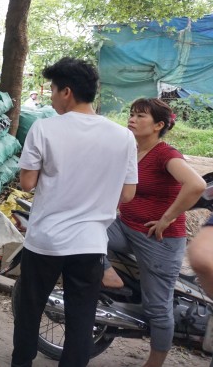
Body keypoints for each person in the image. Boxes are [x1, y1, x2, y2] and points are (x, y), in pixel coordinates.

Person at [12, 57, 138, 367]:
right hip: (91, 243)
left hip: (46, 240)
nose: (51, 97)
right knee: (81, 319)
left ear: (66, 91)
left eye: (53, 90)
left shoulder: (44, 128)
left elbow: (27, 182)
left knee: (29, 310)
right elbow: (128, 193)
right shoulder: (123, 137)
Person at [100, 98, 205, 367]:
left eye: (140, 116)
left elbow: (196, 184)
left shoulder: (165, 154)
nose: (132, 119)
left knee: (157, 307)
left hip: (158, 240)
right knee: (85, 228)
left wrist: (166, 218)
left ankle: (154, 363)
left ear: (159, 125)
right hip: (126, 226)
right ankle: (105, 272)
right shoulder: (132, 150)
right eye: (132, 114)